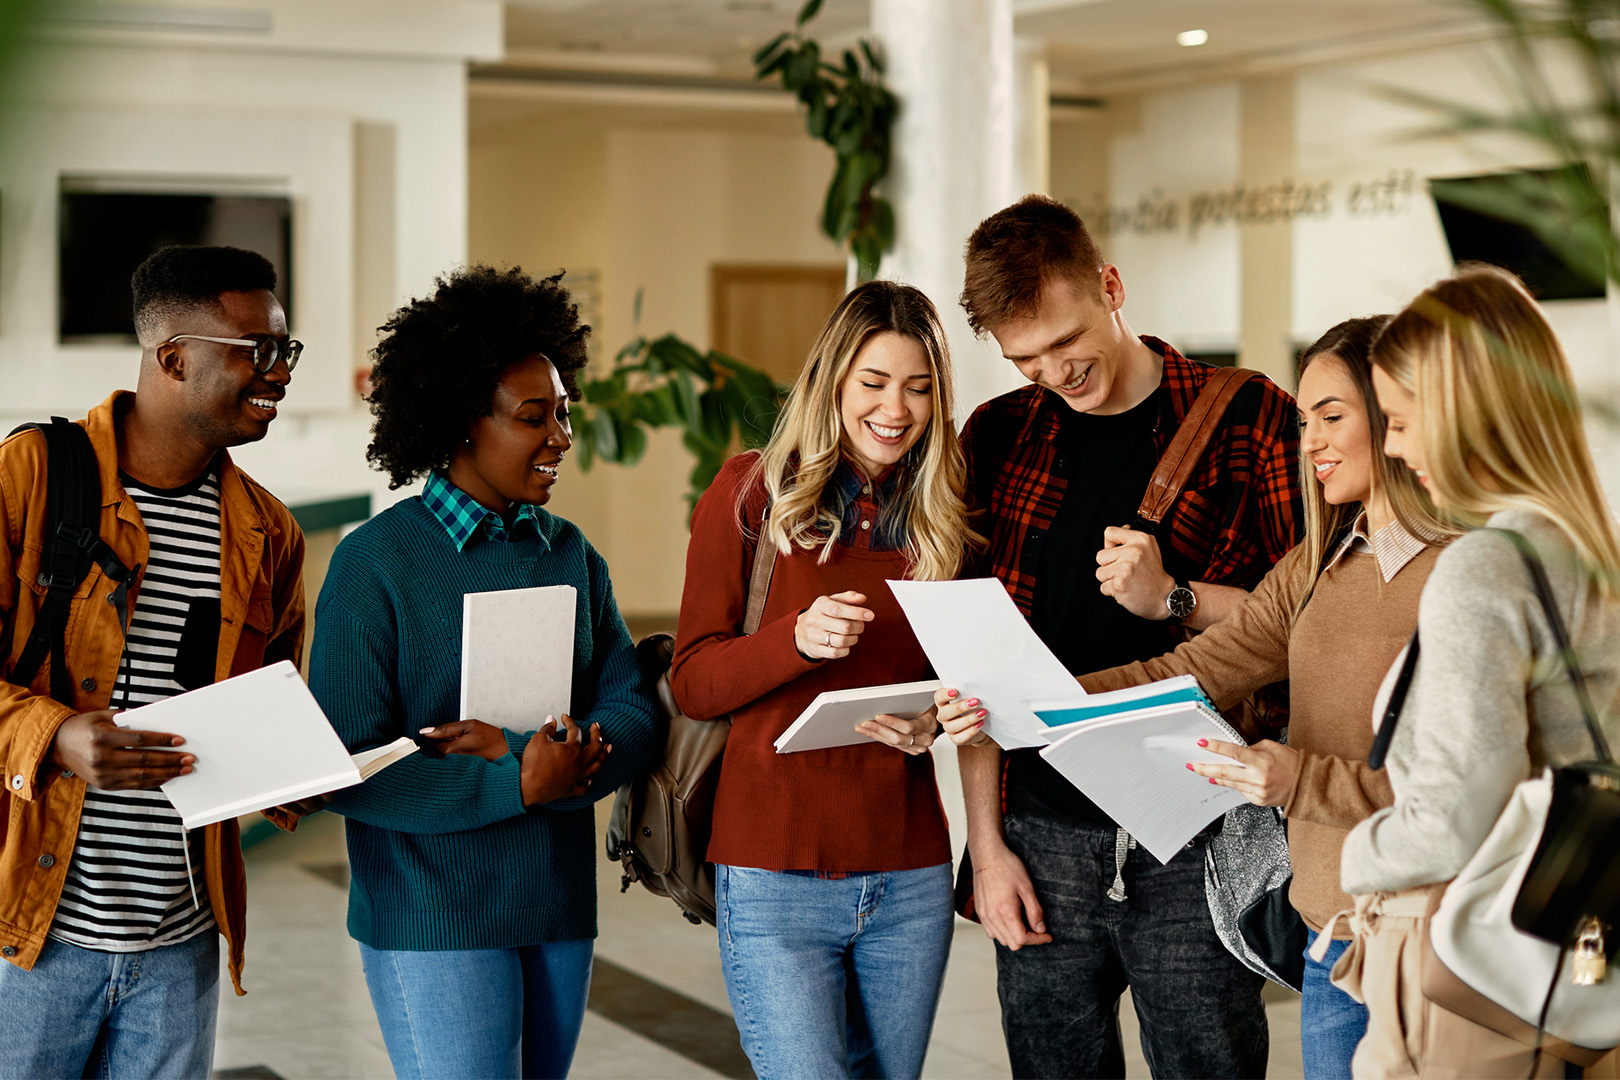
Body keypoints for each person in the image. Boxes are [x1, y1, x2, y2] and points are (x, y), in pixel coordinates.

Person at [940, 315, 1459, 1079]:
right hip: (1333, 938)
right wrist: (1019, 705)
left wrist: (1296, 779)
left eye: (1331, 417)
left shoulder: (1463, 572)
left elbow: (1464, 789)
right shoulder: (1316, 565)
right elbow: (1194, 669)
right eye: (1305, 422)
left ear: (1397, 414)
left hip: (1434, 936)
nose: (1309, 442)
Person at [944, 194, 1303, 1079]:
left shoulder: (1252, 419)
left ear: (1110, 286)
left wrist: (1176, 598)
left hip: (1198, 826)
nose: (1054, 372)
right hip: (1040, 832)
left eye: (1066, 341)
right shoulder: (997, 436)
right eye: (1025, 358)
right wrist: (987, 847)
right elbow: (975, 663)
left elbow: (1310, 622)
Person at [306, 265, 658, 1080]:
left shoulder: (570, 554)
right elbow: (344, 768)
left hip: (555, 903)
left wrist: (550, 752)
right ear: (462, 421)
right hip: (432, 914)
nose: (561, 437)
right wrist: (518, 780)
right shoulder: (375, 564)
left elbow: (632, 707)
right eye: (534, 417)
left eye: (564, 412)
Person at [0, 245, 314, 1078]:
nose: (281, 373)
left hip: (182, 945)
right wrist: (55, 734)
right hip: (26, 938)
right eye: (258, 350)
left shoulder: (267, 534)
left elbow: (272, 706)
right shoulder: (32, 475)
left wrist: (312, 766)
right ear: (173, 357)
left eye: (286, 349)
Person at [669, 280, 977, 1079]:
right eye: (873, 382)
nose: (895, 409)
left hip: (909, 869)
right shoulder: (751, 492)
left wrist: (933, 720)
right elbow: (694, 681)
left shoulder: (943, 511)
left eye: (918, 388)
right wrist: (795, 641)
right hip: (773, 870)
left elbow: (957, 673)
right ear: (831, 380)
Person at [1336, 264, 1620, 1078]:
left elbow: (1452, 820)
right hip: (1578, 950)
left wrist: (1355, 855)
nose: (1393, 447)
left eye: (1399, 420)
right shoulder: (1591, 552)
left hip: (1472, 965)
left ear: (1465, 412)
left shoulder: (1486, 566)